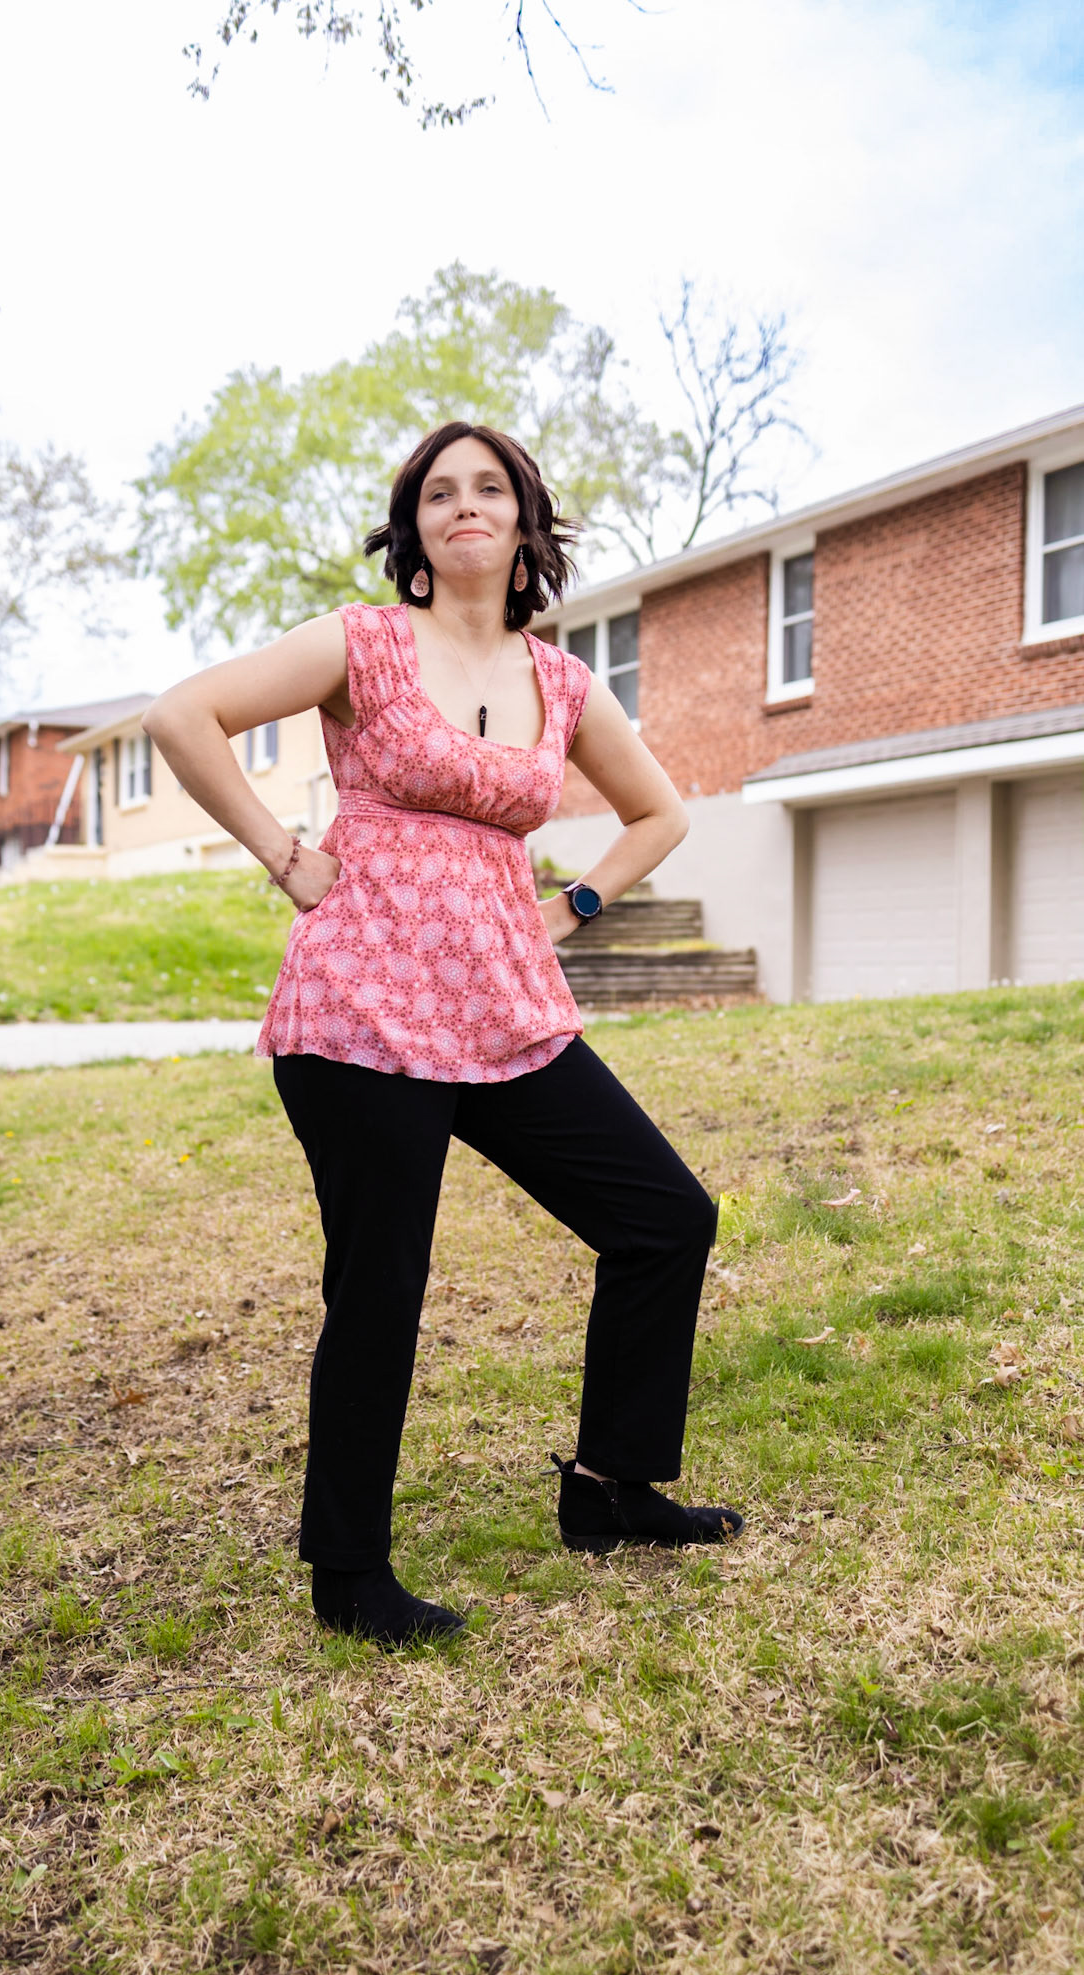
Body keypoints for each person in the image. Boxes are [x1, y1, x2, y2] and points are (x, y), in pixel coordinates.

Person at [142, 421, 743, 1650]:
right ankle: (350, 1571)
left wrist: (573, 905)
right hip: (361, 1009)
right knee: (382, 1285)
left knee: (665, 1216)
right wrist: (283, 854)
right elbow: (183, 714)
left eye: (489, 487)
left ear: (524, 521)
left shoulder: (561, 683)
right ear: (414, 527)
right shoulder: (360, 641)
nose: (464, 504)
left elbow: (660, 812)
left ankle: (611, 1488)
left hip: (505, 1009)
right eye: (439, 491)